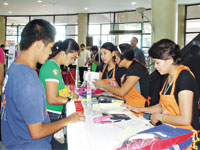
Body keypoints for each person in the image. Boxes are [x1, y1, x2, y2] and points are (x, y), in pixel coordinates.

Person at [1, 19, 85, 150]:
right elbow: (37, 132)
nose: (51, 52)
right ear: (39, 44)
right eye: (50, 47)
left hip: (15, 141)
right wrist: (68, 120)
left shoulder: (14, 68)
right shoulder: (27, 79)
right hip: (31, 145)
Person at [123, 39, 200, 130]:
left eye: (157, 62)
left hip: (186, 134)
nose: (155, 66)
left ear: (170, 60)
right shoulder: (167, 76)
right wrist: (139, 109)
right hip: (170, 128)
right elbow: (161, 106)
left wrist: (159, 117)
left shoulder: (185, 79)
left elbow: (185, 119)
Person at [39, 39, 80, 149]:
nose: (72, 61)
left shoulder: (55, 67)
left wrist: (68, 94)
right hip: (51, 115)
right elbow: (52, 98)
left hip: (54, 113)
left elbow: (56, 91)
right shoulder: (52, 67)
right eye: (72, 57)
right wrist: (69, 99)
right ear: (62, 53)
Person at [93, 43, 150, 117]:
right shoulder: (130, 68)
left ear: (124, 58)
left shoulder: (136, 69)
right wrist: (115, 86)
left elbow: (122, 92)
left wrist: (104, 85)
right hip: (130, 106)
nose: (115, 60)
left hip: (139, 109)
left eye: (116, 58)